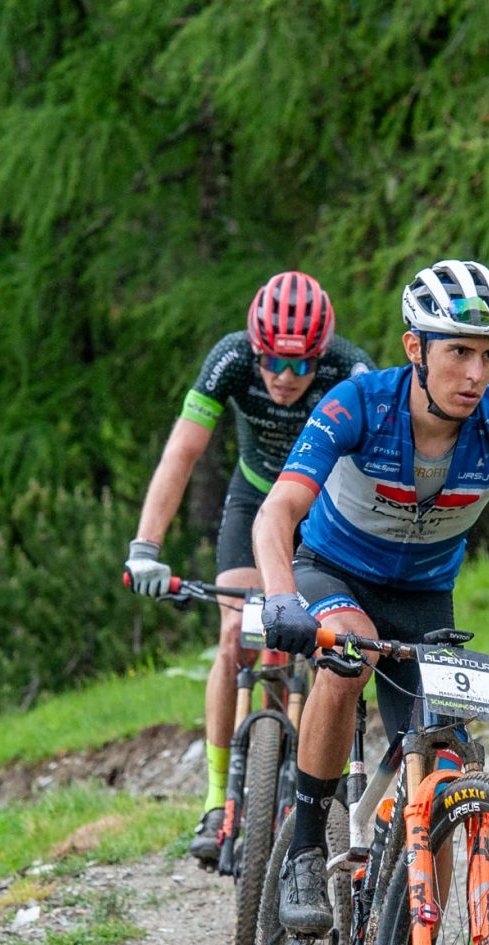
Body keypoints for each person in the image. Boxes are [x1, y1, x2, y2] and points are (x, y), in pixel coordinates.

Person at [252, 258, 489, 936]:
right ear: (414, 349)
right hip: (331, 573)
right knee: (347, 658)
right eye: (458, 351)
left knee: (443, 771)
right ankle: (307, 845)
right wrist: (281, 599)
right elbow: (276, 513)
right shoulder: (358, 405)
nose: (477, 373)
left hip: (426, 598)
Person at [125, 271, 375, 864]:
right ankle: (217, 801)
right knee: (237, 632)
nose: (284, 379)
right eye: (272, 364)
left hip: (324, 511)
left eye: (300, 366)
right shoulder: (229, 359)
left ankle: (314, 779)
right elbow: (181, 453)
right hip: (256, 499)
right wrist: (145, 547)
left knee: (326, 647)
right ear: (254, 348)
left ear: (323, 354)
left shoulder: (351, 368)